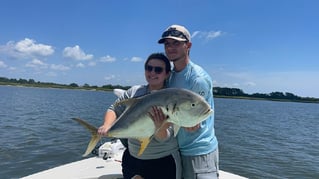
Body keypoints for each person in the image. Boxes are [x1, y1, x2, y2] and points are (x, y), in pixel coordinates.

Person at [98, 52, 181, 179]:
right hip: (132, 159)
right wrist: (107, 125)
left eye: (158, 70)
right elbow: (114, 108)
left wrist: (160, 127)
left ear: (167, 74)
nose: (152, 73)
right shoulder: (134, 92)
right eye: (149, 68)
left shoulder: (171, 98)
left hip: (163, 161)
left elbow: (165, 137)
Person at [157, 24, 219, 179]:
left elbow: (195, 121)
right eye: (167, 44)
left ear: (188, 46)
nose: (170, 48)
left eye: (176, 43)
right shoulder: (170, 76)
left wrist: (191, 123)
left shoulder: (197, 79)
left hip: (199, 151)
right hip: (177, 149)